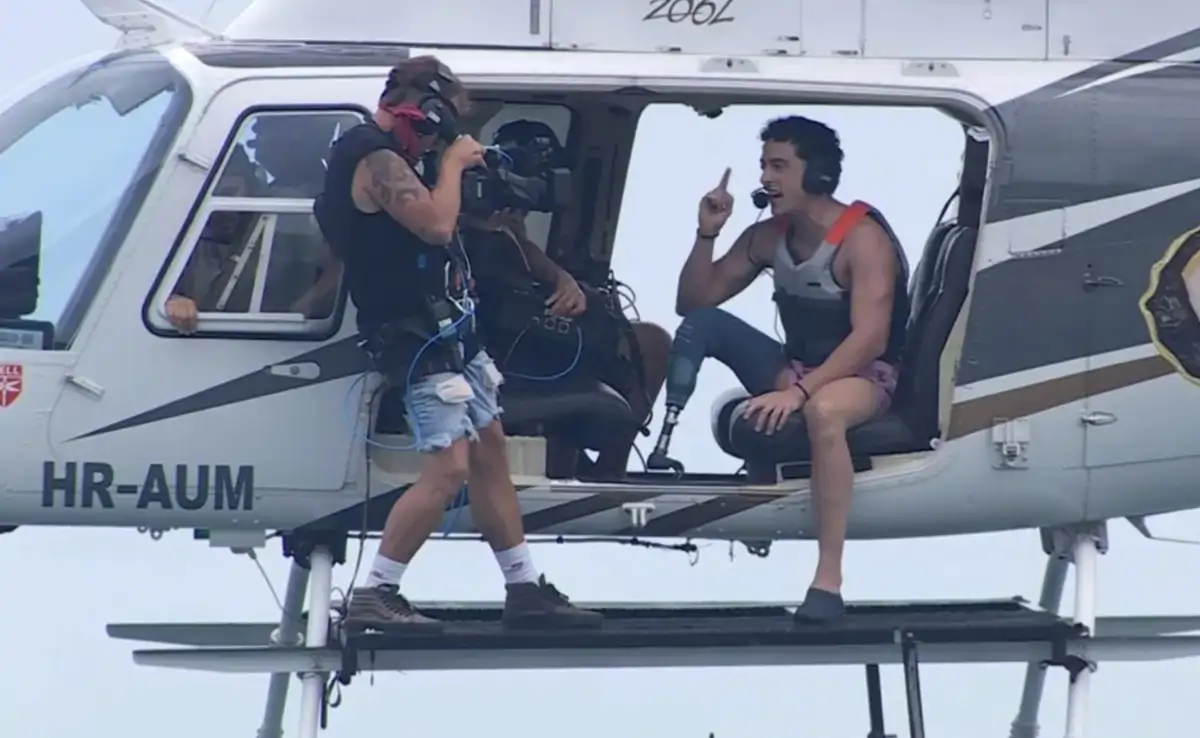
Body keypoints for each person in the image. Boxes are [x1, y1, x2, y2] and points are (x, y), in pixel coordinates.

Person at [314, 55, 602, 632]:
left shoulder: (400, 159)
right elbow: (436, 225)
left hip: (451, 332)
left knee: (491, 449)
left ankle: (523, 587)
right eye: (436, 128)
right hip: (414, 340)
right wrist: (452, 163)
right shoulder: (373, 157)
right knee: (448, 469)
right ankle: (377, 591)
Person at [653, 116, 910, 623]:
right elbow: (693, 301)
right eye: (763, 166)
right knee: (705, 325)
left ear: (817, 175)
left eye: (779, 167)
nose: (765, 178)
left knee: (825, 412)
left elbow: (871, 339)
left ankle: (828, 580)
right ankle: (658, 444)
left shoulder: (862, 240)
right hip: (798, 369)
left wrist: (801, 393)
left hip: (863, 376)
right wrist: (707, 234)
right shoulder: (768, 237)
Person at [459, 120, 672, 480]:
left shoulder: (509, 232)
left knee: (650, 341)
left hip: (529, 335)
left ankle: (608, 475)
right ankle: (560, 466)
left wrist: (563, 279)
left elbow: (520, 250)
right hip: (491, 349)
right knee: (564, 358)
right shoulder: (460, 213)